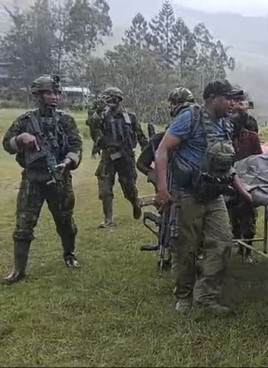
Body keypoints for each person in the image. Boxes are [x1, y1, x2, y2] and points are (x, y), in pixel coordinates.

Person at [153, 80, 253, 316]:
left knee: (223, 243)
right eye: (227, 98)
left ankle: (206, 297)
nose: (232, 103)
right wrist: (162, 190)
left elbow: (227, 167)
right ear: (212, 98)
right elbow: (162, 151)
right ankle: (184, 298)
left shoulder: (225, 125)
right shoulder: (190, 118)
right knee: (185, 249)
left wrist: (243, 192)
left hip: (214, 194)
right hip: (186, 194)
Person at [2, 75, 83, 285]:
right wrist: (20, 139)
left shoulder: (65, 120)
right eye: (48, 93)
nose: (53, 97)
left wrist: (66, 162)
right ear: (38, 95)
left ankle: (69, 255)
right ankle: (19, 269)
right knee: (23, 225)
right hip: (32, 180)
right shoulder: (25, 120)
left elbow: (76, 147)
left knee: (65, 221)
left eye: (56, 93)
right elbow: (6, 144)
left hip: (59, 178)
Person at [87, 87, 148, 228]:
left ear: (120, 100)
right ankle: (108, 219)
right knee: (105, 188)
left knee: (129, 187)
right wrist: (101, 110)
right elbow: (91, 124)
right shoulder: (100, 116)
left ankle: (135, 203)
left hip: (126, 156)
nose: (113, 102)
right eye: (110, 99)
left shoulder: (129, 116)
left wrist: (147, 151)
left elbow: (139, 134)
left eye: (115, 99)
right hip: (108, 156)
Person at [228, 100, 262, 264]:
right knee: (232, 218)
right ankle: (238, 246)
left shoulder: (252, 137)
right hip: (227, 184)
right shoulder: (224, 137)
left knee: (248, 220)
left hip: (248, 184)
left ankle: (247, 250)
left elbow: (258, 161)